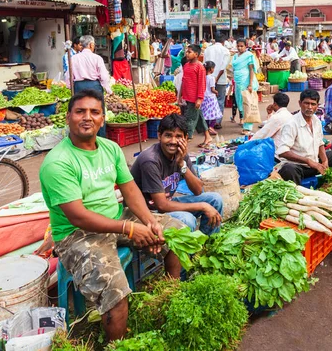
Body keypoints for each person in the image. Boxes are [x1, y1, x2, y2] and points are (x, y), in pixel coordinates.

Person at [39, 90, 185, 341]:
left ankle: (170, 297)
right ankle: (116, 345)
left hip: (116, 217)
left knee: (177, 235)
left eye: (94, 112)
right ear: (68, 117)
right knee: (116, 294)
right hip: (77, 235)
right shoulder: (58, 162)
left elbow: (130, 190)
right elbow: (78, 217)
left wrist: (150, 223)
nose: (87, 117)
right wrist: (129, 229)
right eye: (80, 111)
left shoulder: (110, 148)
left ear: (103, 118)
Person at [130, 114, 222, 235]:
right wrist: (202, 206)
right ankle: (186, 252)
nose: (173, 141)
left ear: (186, 138)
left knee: (215, 200)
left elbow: (198, 190)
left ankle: (207, 244)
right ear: (159, 136)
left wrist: (182, 164)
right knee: (186, 220)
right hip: (148, 212)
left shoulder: (181, 153)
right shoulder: (150, 160)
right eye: (168, 135)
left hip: (166, 203)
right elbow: (162, 205)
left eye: (178, 136)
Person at [277, 89, 332, 184]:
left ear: (317, 106)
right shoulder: (291, 124)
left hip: (315, 163)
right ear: (300, 103)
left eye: (313, 104)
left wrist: (324, 161)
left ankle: (331, 183)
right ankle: (298, 191)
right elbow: (283, 151)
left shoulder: (316, 121)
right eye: (306, 103)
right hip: (300, 167)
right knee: (288, 169)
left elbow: (320, 143)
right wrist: (308, 161)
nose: (310, 107)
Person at [68, 35, 112, 137]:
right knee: (97, 112)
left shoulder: (73, 58)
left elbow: (69, 76)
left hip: (79, 86)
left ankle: (81, 137)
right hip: (94, 86)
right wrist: (108, 90)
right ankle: (100, 138)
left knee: (80, 112)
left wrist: (70, 87)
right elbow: (104, 77)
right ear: (91, 45)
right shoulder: (97, 58)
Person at [181, 44, 212, 147]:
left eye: (189, 52)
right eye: (187, 51)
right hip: (188, 97)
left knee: (189, 118)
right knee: (199, 118)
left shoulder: (200, 67)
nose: (187, 54)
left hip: (195, 98)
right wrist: (180, 95)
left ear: (196, 54)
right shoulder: (186, 65)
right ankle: (208, 136)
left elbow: (201, 84)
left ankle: (187, 137)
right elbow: (183, 81)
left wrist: (199, 98)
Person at [231, 38, 260, 134]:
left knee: (248, 103)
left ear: (245, 46)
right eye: (238, 46)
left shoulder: (249, 56)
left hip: (246, 82)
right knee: (240, 103)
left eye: (241, 46)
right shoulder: (235, 56)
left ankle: (247, 127)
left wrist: (250, 84)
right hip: (238, 83)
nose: (239, 48)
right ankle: (244, 120)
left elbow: (251, 70)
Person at [203, 33, 230, 129]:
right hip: (220, 79)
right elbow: (223, 67)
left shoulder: (207, 49)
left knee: (207, 99)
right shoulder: (226, 51)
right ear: (223, 42)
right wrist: (216, 79)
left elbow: (204, 64)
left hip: (207, 78)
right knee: (220, 100)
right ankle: (217, 122)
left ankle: (207, 121)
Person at [200, 61, 222, 135]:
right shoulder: (212, 78)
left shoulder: (202, 77)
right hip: (211, 98)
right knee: (213, 113)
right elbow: (212, 89)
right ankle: (211, 127)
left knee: (205, 114)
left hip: (204, 98)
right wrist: (216, 92)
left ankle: (206, 127)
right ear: (211, 69)